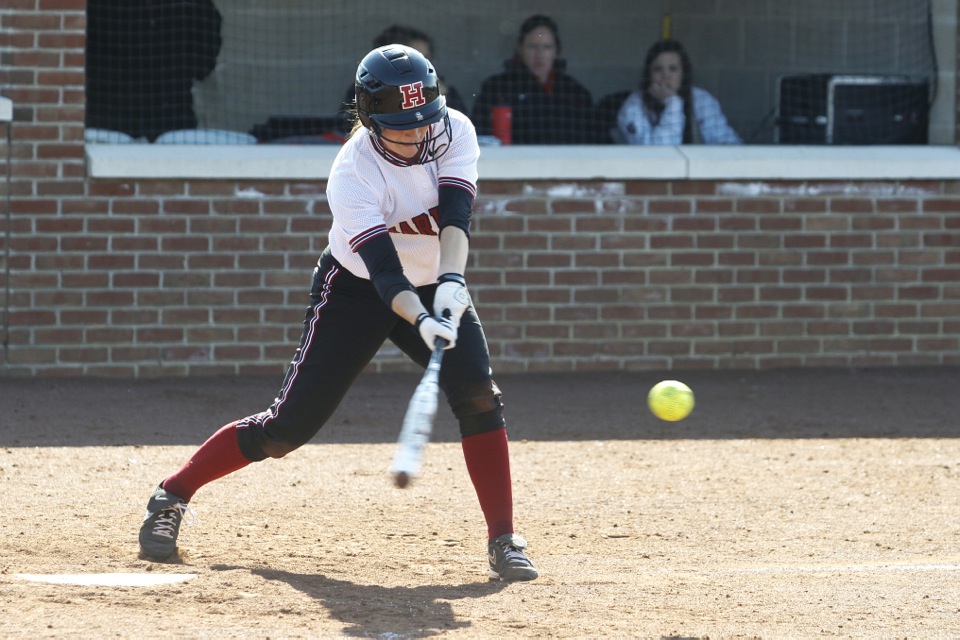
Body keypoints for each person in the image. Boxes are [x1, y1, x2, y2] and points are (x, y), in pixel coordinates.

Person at [137, 44, 539, 583]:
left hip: (432, 282)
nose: (420, 135)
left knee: (476, 393)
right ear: (372, 121)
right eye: (402, 126)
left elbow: (457, 220)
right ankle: (172, 494)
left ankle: (504, 538)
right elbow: (386, 276)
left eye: (425, 121)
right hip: (356, 288)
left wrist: (451, 282)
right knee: (286, 428)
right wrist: (422, 319)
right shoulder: (353, 173)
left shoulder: (455, 131)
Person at [85, 0, 223, 142]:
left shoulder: (192, 6)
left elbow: (204, 63)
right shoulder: (100, 6)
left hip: (171, 120)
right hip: (109, 121)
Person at [471, 14, 601, 144]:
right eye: (532, 46)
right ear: (520, 48)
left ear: (557, 51)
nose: (540, 54)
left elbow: (594, 141)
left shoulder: (576, 93)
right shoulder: (497, 88)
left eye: (547, 47)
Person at [339, 25, 468, 126]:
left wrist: (441, 96)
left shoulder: (442, 89)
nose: (420, 61)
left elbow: (462, 127)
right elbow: (346, 126)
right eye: (413, 55)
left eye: (426, 57)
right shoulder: (366, 87)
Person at [617, 39, 741, 145]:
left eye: (673, 69)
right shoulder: (632, 107)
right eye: (658, 69)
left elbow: (729, 143)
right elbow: (660, 156)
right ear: (648, 74)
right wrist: (673, 103)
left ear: (683, 73)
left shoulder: (702, 100)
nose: (665, 76)